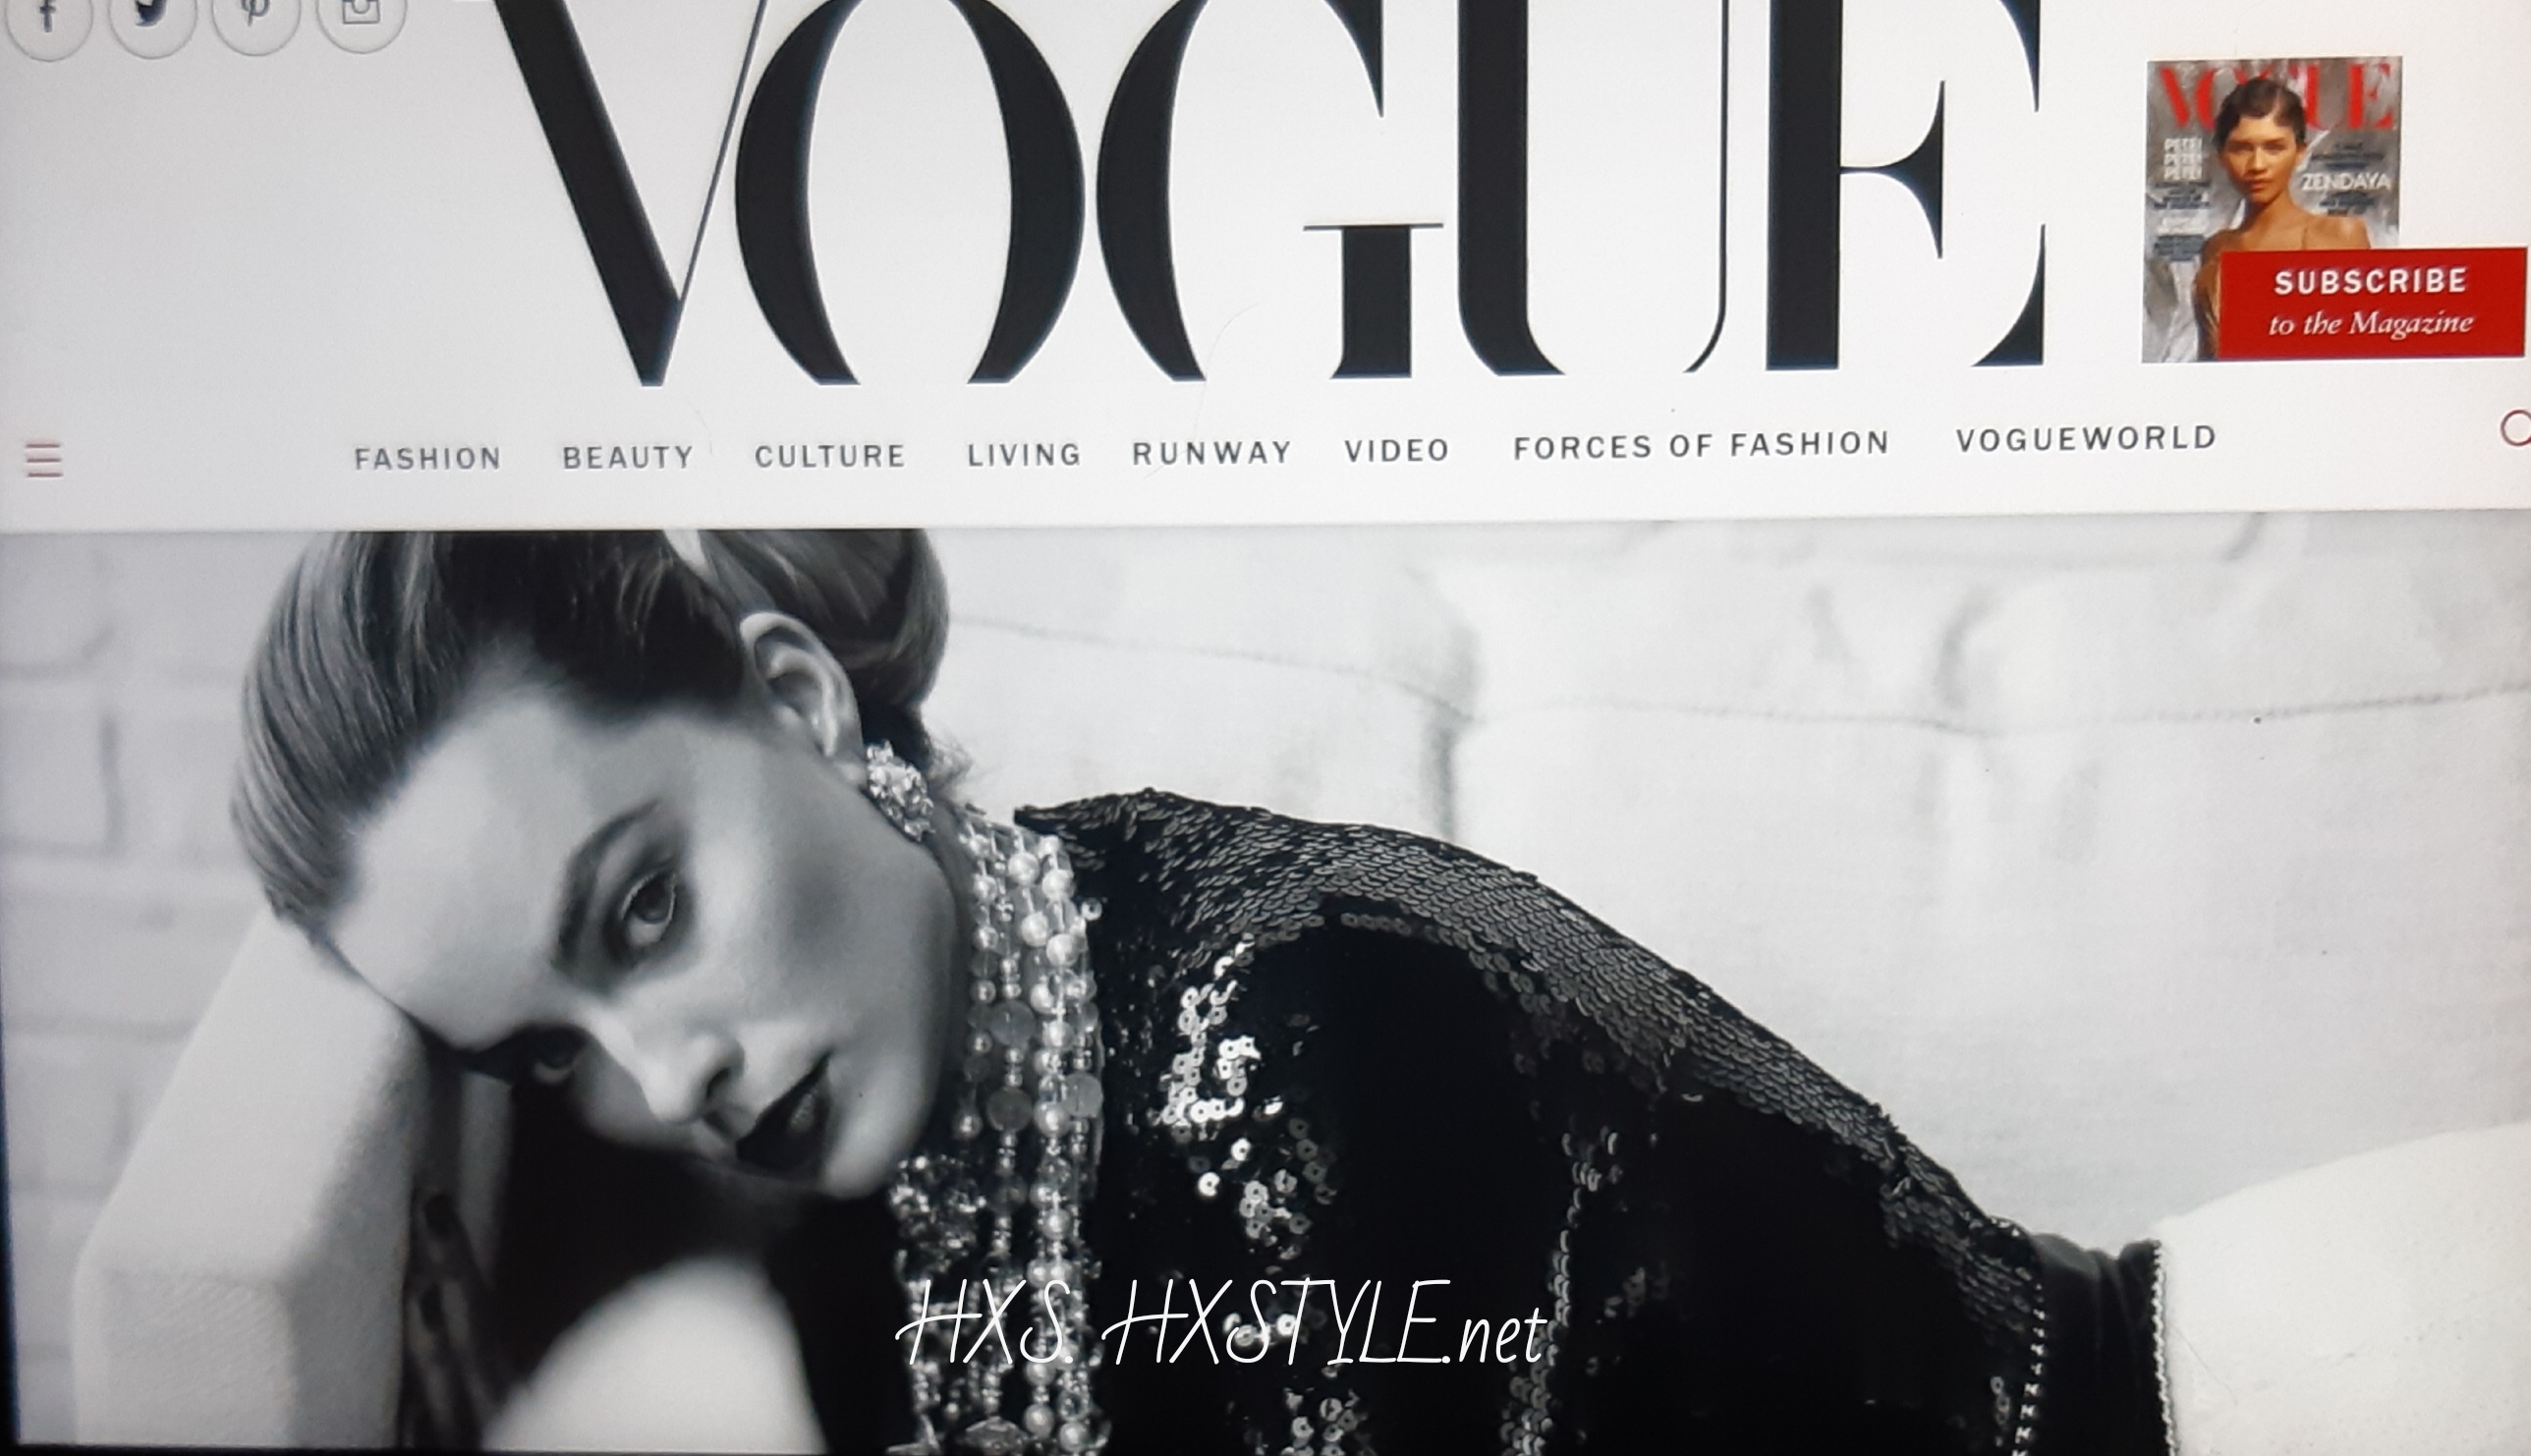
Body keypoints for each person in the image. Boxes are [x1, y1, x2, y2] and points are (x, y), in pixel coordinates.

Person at [233, 530, 2167, 1456]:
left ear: (803, 704)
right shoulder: (884, 1220)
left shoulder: (1300, 1029)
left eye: (646, 907)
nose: (665, 1078)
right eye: (547, 1048)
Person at [2192, 76, 2370, 359]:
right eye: (2241, 148)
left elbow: (2359, 352)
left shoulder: (2336, 235)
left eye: (2274, 148)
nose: (2257, 165)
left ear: (2299, 153)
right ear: (2221, 155)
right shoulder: (2217, 249)